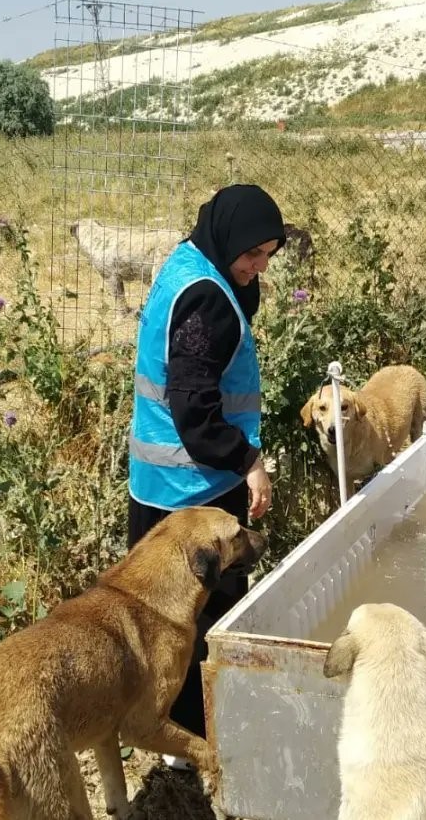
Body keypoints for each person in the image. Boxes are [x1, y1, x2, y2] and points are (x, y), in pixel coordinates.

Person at [127, 183, 286, 763]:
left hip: (158, 483)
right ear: (229, 239)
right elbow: (195, 413)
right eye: (252, 253)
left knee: (160, 620)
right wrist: (250, 462)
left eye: (268, 255)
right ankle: (200, 739)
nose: (257, 266)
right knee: (200, 621)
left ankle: (168, 728)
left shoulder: (189, 263)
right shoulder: (207, 301)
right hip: (196, 490)